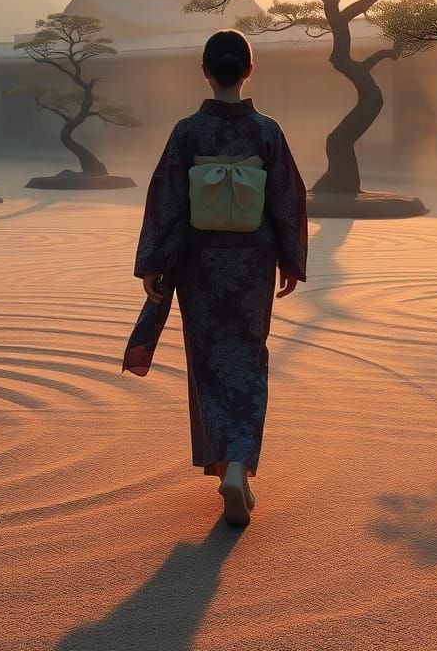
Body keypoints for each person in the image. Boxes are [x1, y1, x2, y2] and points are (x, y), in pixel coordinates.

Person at [124, 29, 308, 526]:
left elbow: (167, 199)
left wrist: (156, 263)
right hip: (252, 260)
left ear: (205, 72)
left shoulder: (188, 132)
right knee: (248, 359)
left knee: (209, 363)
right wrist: (290, 260)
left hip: (200, 262)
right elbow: (288, 197)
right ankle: (240, 466)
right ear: (249, 71)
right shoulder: (266, 131)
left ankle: (226, 464)